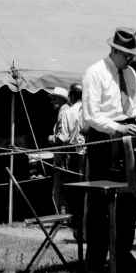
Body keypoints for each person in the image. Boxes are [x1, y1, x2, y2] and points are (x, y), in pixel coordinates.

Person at [82, 27, 136, 273]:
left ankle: (122, 255)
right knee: (99, 203)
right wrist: (118, 129)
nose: (131, 59)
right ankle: (95, 262)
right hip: (103, 141)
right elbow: (91, 115)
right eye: (128, 54)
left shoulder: (130, 74)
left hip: (129, 139)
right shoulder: (95, 73)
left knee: (129, 200)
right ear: (115, 50)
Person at [63, 82, 87, 239]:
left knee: (75, 193)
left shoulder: (68, 112)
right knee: (87, 192)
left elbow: (65, 137)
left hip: (74, 154)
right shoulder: (88, 110)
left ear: (71, 96)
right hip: (88, 154)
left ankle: (79, 230)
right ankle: (84, 229)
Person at [47, 87, 73, 215]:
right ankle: (63, 216)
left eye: (54, 99)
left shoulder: (64, 112)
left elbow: (64, 136)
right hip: (63, 153)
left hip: (62, 153)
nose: (51, 102)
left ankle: (61, 217)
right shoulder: (65, 110)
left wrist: (52, 139)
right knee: (63, 186)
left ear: (62, 100)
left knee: (60, 187)